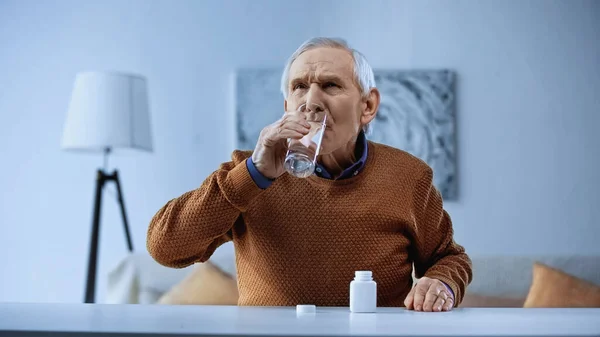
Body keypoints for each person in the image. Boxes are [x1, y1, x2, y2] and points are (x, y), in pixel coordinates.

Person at [147, 37, 472, 312]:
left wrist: (441, 281)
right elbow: (165, 247)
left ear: (368, 106)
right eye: (300, 87)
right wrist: (253, 175)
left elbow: (450, 258)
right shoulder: (247, 172)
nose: (311, 102)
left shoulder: (409, 176)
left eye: (331, 85)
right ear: (287, 105)